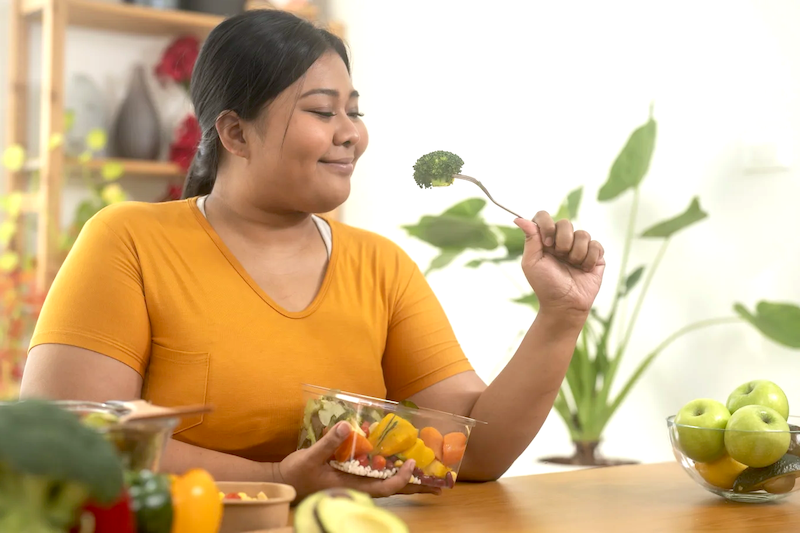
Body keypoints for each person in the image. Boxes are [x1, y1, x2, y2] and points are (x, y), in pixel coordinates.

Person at [19, 9, 605, 500]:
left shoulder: (381, 267)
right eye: (324, 112)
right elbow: (66, 440)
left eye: (355, 110)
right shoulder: (130, 241)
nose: (351, 132)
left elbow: (474, 453)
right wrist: (276, 480)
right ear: (236, 133)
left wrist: (561, 316)